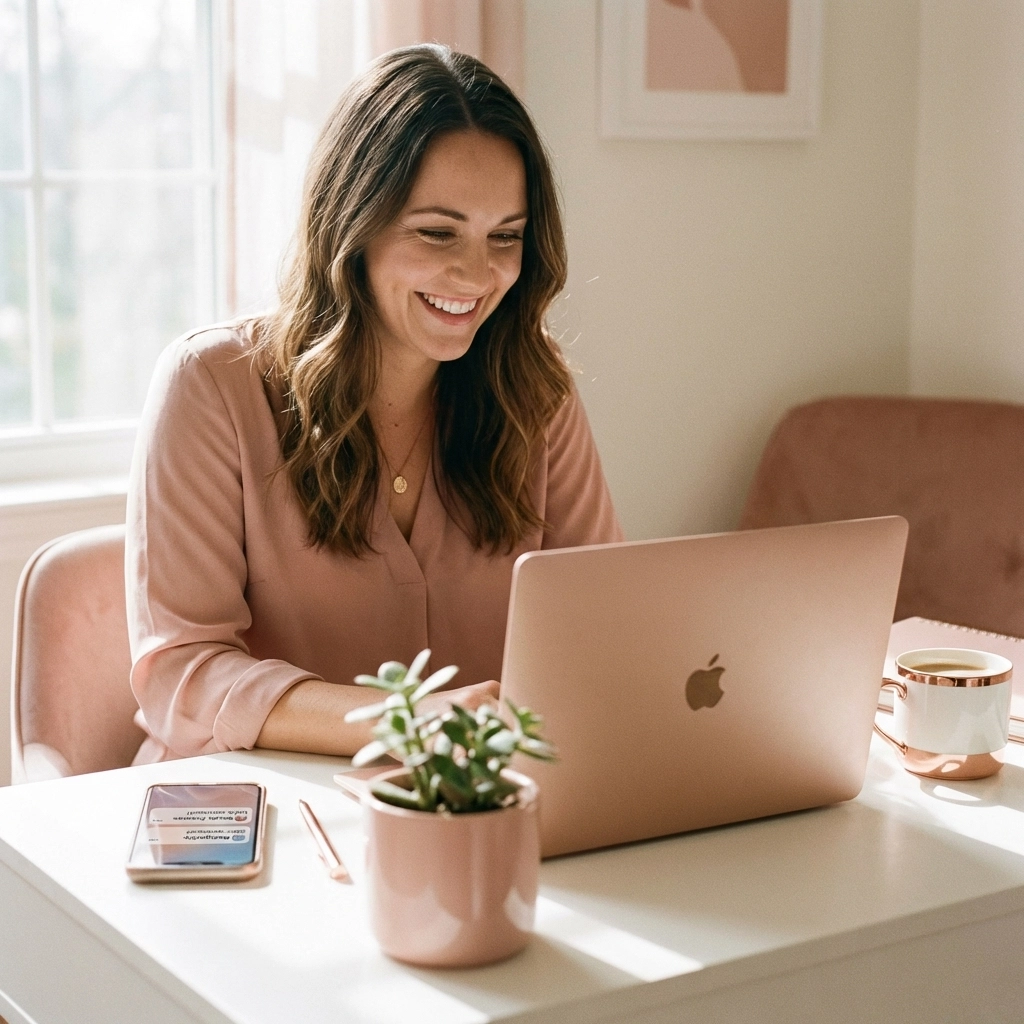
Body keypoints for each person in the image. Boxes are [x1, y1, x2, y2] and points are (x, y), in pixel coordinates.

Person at [126, 44, 622, 765]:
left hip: (475, 807)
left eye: (505, 238)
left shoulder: (536, 394)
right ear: (351, 225)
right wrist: (407, 720)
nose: (477, 274)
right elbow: (182, 673)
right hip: (268, 812)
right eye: (437, 232)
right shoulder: (211, 385)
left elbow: (607, 625)